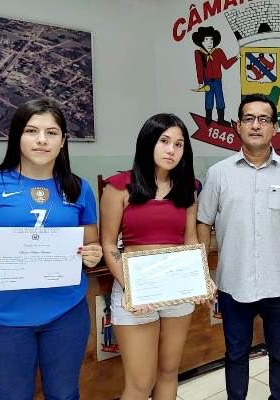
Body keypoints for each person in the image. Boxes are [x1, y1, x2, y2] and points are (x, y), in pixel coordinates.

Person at [0, 98, 102, 400]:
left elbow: (91, 243)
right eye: (32, 131)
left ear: (63, 141)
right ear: (17, 136)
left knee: (65, 394)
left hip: (66, 313)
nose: (42, 140)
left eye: (52, 132)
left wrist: (93, 253)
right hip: (5, 318)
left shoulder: (78, 188)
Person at [197, 93, 280, 400]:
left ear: (275, 128)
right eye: (249, 119)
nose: (256, 125)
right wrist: (202, 273)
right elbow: (202, 222)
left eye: (263, 119)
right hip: (232, 283)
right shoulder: (218, 173)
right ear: (237, 126)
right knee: (236, 355)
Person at [100, 113, 209, 400]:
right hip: (134, 291)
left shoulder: (189, 189)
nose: (171, 150)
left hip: (175, 291)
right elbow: (108, 245)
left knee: (169, 371)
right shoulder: (119, 186)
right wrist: (131, 289)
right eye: (164, 141)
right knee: (140, 382)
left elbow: (190, 239)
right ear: (148, 142)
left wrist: (201, 280)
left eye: (179, 144)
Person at [192, 25, 237, 126]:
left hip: (217, 81)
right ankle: (208, 119)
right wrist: (200, 82)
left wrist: (236, 57)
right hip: (207, 81)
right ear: (201, 41)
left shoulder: (218, 52)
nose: (210, 42)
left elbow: (226, 65)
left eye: (211, 40)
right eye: (207, 40)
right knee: (209, 100)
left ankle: (220, 119)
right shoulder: (198, 53)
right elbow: (199, 69)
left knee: (220, 99)